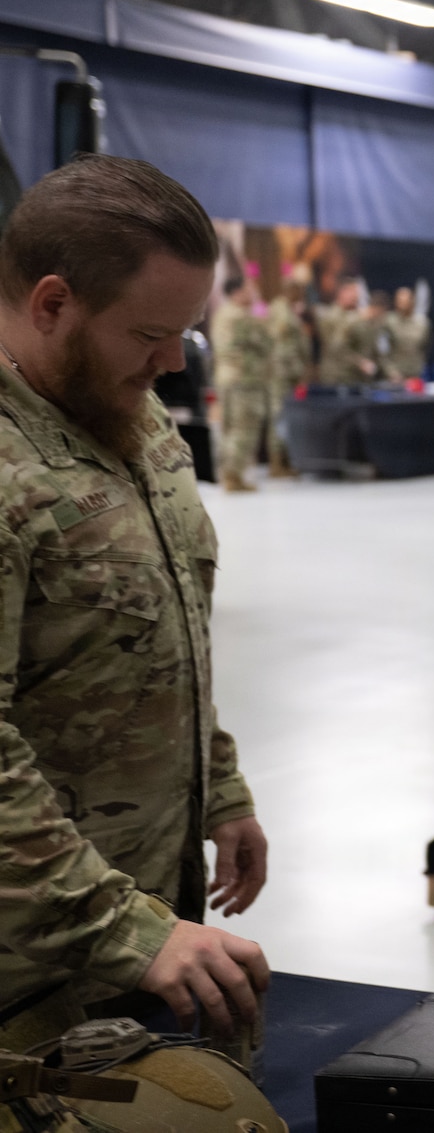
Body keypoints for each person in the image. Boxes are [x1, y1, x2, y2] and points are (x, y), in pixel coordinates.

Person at [0, 155, 269, 1048]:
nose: (173, 363)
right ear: (51, 305)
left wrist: (218, 789)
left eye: (186, 334)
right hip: (29, 972)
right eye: (151, 333)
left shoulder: (130, 411)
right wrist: (132, 932)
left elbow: (168, 624)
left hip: (145, 929)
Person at [208, 275, 272, 494]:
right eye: (249, 290)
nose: (252, 294)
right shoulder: (242, 317)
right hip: (245, 379)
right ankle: (233, 476)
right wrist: (262, 316)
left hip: (226, 377)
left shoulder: (222, 314)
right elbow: (266, 341)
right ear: (237, 292)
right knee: (244, 428)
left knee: (230, 427)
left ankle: (229, 473)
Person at [264, 275, 308, 478]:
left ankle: (287, 461)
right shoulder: (280, 309)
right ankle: (276, 464)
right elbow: (281, 341)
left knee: (287, 418)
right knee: (278, 416)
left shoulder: (291, 310)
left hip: (291, 372)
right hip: (280, 372)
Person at [380, 286, 432, 385]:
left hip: (416, 374)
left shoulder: (421, 323)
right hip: (395, 376)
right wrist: (391, 372)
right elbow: (381, 350)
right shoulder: (388, 322)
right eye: (399, 300)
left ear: (412, 301)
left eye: (405, 300)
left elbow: (426, 346)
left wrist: (419, 366)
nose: (402, 304)